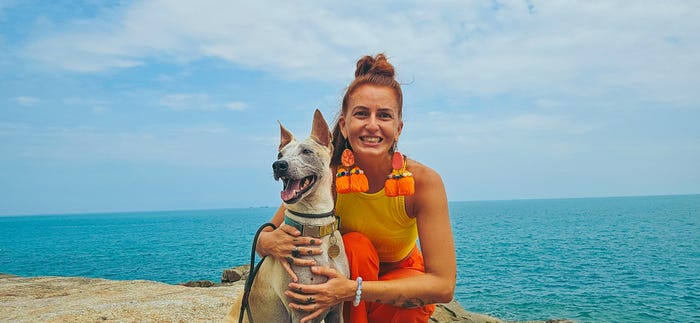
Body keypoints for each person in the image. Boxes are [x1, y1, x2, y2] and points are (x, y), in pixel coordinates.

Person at [255, 53, 456, 323]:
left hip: (386, 282)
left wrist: (354, 289)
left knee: (403, 294)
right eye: (361, 114)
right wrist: (266, 241)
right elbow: (269, 232)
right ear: (344, 125)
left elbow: (443, 286)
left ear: (398, 128)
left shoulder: (423, 181)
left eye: (384, 116)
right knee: (355, 247)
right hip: (346, 276)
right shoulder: (327, 176)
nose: (372, 125)